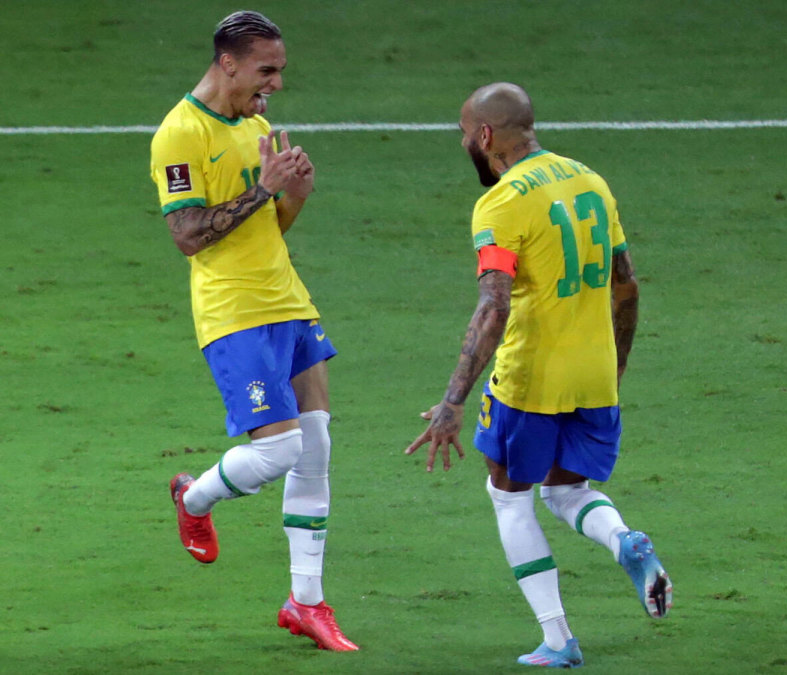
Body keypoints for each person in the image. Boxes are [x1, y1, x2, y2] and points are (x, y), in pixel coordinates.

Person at [405, 82, 672, 669]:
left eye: (462, 135)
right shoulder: (590, 179)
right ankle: (625, 541)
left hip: (529, 379)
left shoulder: (500, 204)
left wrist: (453, 401)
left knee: (509, 498)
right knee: (568, 490)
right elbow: (626, 282)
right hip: (595, 373)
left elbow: (494, 305)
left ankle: (558, 638)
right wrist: (616, 364)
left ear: (484, 136)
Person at [149, 10, 356, 652]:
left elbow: (265, 229)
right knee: (279, 452)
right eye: (266, 71)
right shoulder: (179, 135)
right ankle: (196, 497)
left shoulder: (257, 127)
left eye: (281, 71)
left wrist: (294, 196)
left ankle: (307, 603)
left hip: (289, 303)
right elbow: (188, 237)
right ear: (227, 63)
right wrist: (263, 191)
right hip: (234, 315)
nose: (275, 86)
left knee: (315, 446)